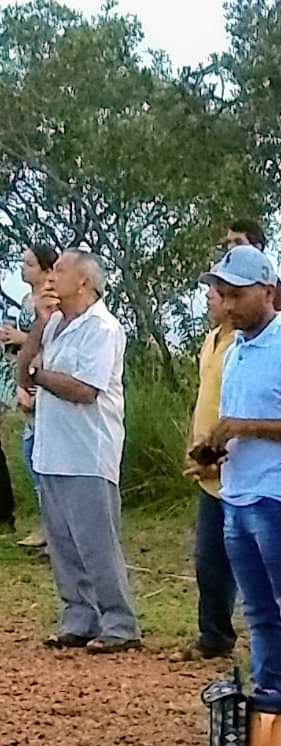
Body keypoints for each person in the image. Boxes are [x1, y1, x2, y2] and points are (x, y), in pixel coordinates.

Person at [200, 245, 281, 746]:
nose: (227, 304)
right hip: (237, 492)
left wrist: (247, 427)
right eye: (223, 295)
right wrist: (216, 447)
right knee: (257, 610)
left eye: (236, 295)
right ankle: (272, 699)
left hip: (278, 495)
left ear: (269, 292)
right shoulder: (235, 350)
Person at [17, 250, 141, 652]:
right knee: (63, 544)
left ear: (85, 282)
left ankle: (119, 623)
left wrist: (39, 374)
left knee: (96, 542)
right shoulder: (54, 325)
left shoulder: (102, 328)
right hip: (52, 450)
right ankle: (79, 617)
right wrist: (38, 324)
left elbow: (84, 389)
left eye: (60, 270)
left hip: (89, 452)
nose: (52, 277)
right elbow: (23, 371)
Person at [174, 281, 238, 662]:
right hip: (207, 460)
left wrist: (217, 452)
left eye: (215, 294)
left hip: (232, 461)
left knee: (245, 557)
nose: (209, 301)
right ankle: (213, 633)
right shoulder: (212, 339)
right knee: (209, 557)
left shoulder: (240, 347)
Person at [1, 243, 57, 545]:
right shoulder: (26, 300)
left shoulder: (51, 300)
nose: (23, 268)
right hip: (25, 380)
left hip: (43, 382)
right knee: (32, 453)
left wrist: (23, 337)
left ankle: (52, 529)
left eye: (29, 264)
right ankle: (46, 525)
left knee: (38, 453)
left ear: (47, 269)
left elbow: (54, 340)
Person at [222, 218, 281, 312]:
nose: (231, 247)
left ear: (256, 247)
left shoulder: (272, 284)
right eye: (229, 242)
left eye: (238, 242)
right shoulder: (220, 275)